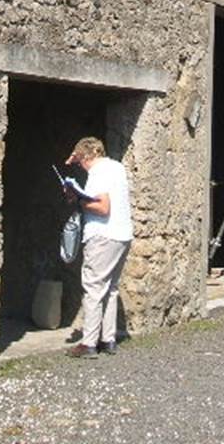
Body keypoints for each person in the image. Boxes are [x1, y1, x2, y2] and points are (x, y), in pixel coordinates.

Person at [63, 136, 133, 359]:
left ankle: (88, 343)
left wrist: (77, 199)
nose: (80, 166)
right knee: (110, 288)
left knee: (93, 287)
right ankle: (108, 339)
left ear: (85, 156)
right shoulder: (117, 167)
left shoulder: (98, 172)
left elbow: (103, 207)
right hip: (122, 234)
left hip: (102, 236)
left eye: (79, 161)